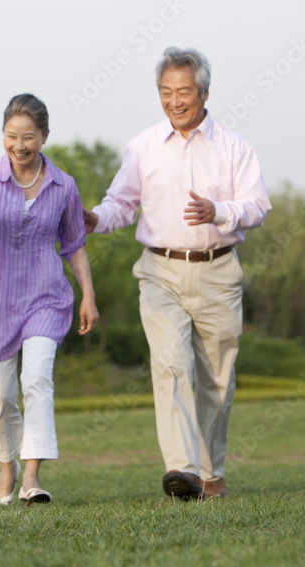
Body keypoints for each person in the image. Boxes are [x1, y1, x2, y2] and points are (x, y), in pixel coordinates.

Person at [83, 47, 271, 501]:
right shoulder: (143, 146)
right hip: (159, 272)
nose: (174, 100)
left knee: (217, 382)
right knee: (170, 363)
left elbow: (258, 206)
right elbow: (122, 204)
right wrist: (95, 219)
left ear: (204, 92)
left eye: (183, 91)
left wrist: (218, 210)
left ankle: (212, 474)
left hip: (218, 273)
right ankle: (182, 471)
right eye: (165, 92)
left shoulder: (233, 147)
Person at [0, 94, 98, 505]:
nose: (19, 145)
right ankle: (6, 468)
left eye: (29, 137)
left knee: (36, 379)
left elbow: (74, 244)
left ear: (44, 137)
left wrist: (88, 294)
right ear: (3, 135)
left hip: (46, 297)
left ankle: (32, 476)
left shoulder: (63, 185)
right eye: (11, 136)